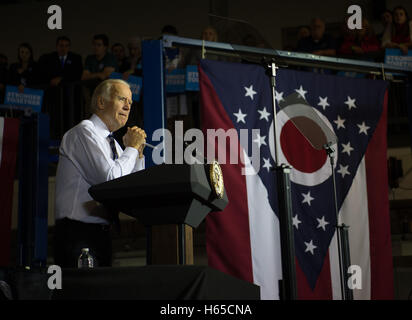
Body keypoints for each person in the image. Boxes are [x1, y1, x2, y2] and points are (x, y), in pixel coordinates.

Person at [53, 79, 146, 268]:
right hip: (77, 234)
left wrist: (137, 153)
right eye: (122, 99)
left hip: (102, 233)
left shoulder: (115, 145)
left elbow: (133, 187)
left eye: (131, 102)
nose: (128, 106)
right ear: (101, 102)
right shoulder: (83, 132)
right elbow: (109, 181)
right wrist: (132, 148)